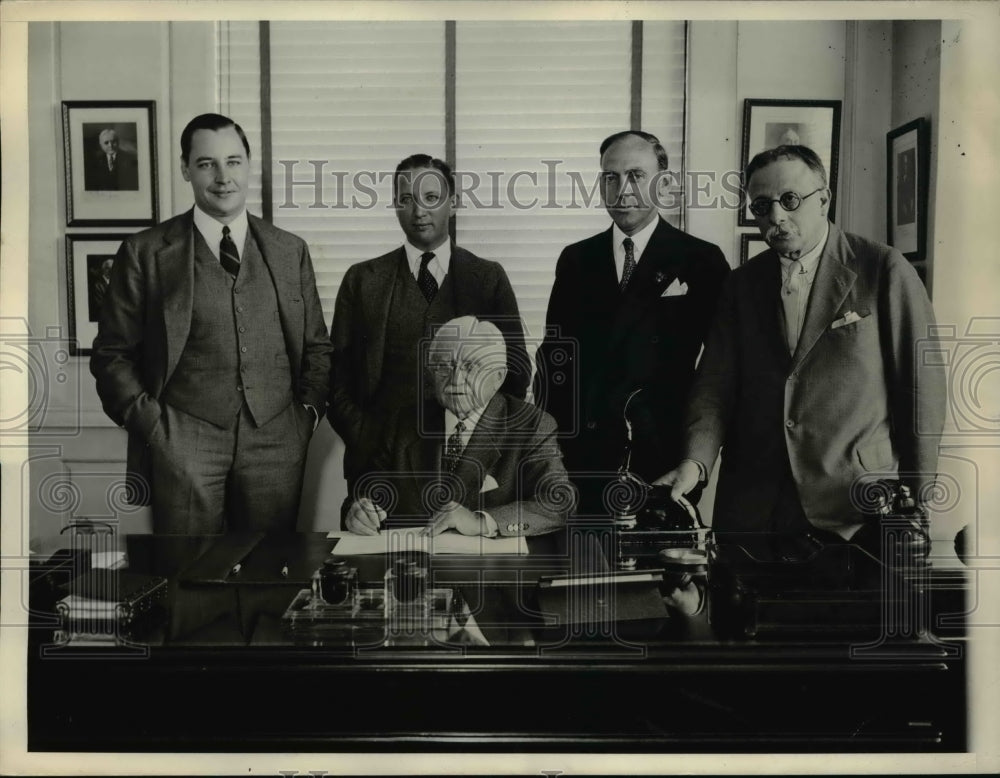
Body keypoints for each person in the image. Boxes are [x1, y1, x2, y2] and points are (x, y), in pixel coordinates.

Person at [655, 145, 945, 556]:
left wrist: (917, 501)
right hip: (755, 509)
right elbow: (715, 385)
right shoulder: (741, 286)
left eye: (790, 200)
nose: (776, 217)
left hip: (858, 509)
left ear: (823, 198)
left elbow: (921, 389)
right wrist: (695, 463)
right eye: (761, 206)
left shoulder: (883, 268)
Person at [91, 113, 332, 534]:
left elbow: (317, 347)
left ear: (249, 165)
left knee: (268, 579)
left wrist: (305, 417)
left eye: (233, 162)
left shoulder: (289, 250)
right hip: (182, 444)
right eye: (207, 164)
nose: (223, 177)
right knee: (189, 582)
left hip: (277, 444)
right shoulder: (145, 252)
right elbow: (112, 356)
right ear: (185, 168)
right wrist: (155, 427)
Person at [533, 130, 729, 516]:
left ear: (664, 183)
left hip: (661, 459)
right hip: (581, 460)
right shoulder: (576, 260)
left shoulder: (701, 260)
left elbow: (720, 373)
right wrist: (548, 455)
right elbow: (554, 360)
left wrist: (696, 461)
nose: (622, 189)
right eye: (610, 177)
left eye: (636, 176)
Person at [329, 154, 530, 501]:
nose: (418, 210)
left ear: (453, 204)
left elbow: (514, 374)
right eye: (406, 199)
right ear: (394, 205)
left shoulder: (487, 278)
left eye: (431, 199)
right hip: (379, 465)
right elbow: (335, 377)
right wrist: (366, 436)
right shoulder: (363, 280)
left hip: (467, 463)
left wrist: (484, 446)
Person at [345, 316, 569, 538]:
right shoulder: (403, 422)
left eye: (471, 367)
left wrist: (481, 521)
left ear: (498, 377)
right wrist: (360, 511)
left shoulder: (531, 425)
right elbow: (368, 491)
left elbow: (559, 503)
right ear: (431, 373)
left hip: (491, 569)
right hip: (412, 566)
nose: (456, 379)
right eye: (444, 366)